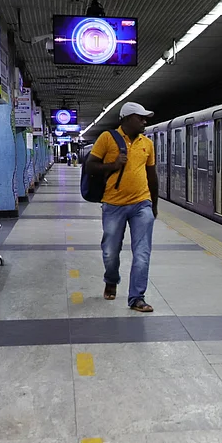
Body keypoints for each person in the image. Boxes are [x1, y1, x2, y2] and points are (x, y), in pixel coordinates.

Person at [85, 101, 159, 312]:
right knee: (110, 252)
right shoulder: (107, 138)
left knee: (142, 253)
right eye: (140, 117)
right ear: (126, 119)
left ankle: (137, 297)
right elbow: (90, 165)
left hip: (141, 204)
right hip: (113, 205)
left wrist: (154, 205)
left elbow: (152, 175)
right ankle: (111, 279)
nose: (144, 121)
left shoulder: (147, 144)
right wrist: (113, 165)